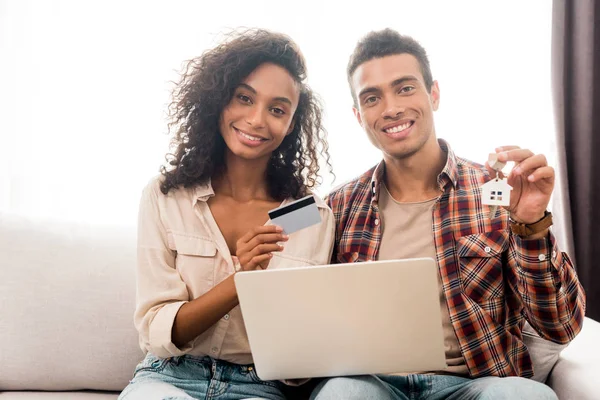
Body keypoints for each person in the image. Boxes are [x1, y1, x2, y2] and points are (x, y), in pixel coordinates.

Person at [311, 29, 586, 400]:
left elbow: (562, 327)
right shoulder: (337, 206)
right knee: (341, 393)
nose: (391, 108)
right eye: (372, 98)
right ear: (359, 115)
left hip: (473, 384)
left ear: (434, 94)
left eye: (405, 88)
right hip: (372, 384)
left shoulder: (499, 192)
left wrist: (531, 226)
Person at [119, 29, 334, 400]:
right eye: (244, 98)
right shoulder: (167, 197)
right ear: (218, 100)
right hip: (169, 377)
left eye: (277, 109)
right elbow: (156, 329)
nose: (256, 119)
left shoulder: (305, 215)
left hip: (259, 385)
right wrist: (241, 279)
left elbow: (299, 350)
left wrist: (268, 291)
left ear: (292, 124)